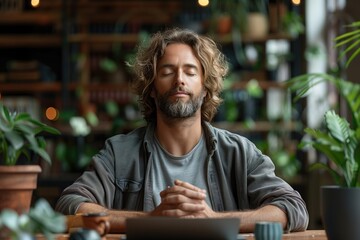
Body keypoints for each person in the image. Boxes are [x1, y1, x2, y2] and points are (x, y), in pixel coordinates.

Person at [55, 28, 309, 233]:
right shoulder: (119, 153)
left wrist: (213, 219)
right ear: (151, 89)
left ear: (206, 87)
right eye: (167, 71)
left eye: (190, 71)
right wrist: (149, 219)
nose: (179, 80)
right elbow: (71, 204)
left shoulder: (239, 152)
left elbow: (292, 208)